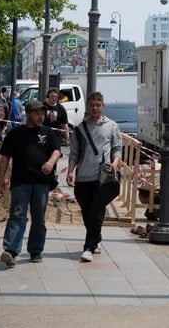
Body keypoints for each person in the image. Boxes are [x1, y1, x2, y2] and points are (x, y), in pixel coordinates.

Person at [0, 100, 62, 267]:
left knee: (39, 218)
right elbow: (5, 157)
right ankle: (11, 250)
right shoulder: (15, 134)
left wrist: (50, 163)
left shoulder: (48, 132)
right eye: (37, 114)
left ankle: (35, 250)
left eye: (42, 113)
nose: (41, 117)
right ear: (28, 114)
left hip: (41, 183)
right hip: (20, 183)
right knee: (17, 216)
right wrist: (0, 178)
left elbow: (56, 150)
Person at [67, 92, 122, 263]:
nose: (95, 108)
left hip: (103, 177)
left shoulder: (112, 126)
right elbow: (74, 153)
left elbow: (117, 148)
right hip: (83, 177)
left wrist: (115, 162)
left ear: (103, 106)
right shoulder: (80, 128)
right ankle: (96, 238)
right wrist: (70, 171)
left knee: (96, 212)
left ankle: (89, 248)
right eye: (92, 105)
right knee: (87, 212)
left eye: (98, 105)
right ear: (88, 106)